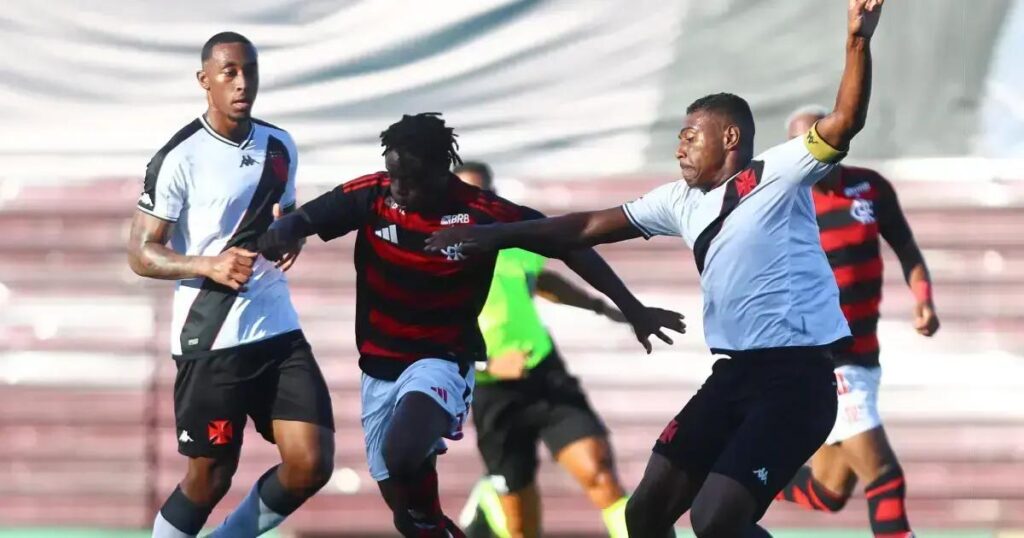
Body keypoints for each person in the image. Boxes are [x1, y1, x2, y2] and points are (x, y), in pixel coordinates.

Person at [426, 2, 886, 535]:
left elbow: (845, 120)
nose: (680, 147)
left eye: (691, 135)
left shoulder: (781, 173)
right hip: (732, 374)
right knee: (643, 516)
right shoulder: (678, 201)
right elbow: (578, 230)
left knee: (714, 520)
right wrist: (491, 235)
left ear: (730, 138)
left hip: (796, 380)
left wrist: (857, 40)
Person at [255, 113, 684, 537]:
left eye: (412, 177)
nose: (400, 187)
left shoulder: (483, 213)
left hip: (444, 359)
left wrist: (631, 307)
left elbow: (568, 244)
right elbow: (306, 218)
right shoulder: (374, 193)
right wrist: (284, 229)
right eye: (394, 173)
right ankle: (437, 520)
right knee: (408, 512)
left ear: (442, 171)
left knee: (405, 454)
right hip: (381, 370)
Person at [127, 32, 335, 538]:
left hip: (276, 328)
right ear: (205, 81)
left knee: (311, 462)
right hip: (210, 337)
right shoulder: (179, 157)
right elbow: (140, 253)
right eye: (229, 72)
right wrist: (207, 265)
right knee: (209, 478)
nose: (243, 83)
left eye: (250, 71)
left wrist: (293, 238)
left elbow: (278, 215)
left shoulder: (280, 145)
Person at [773, 106, 939, 538]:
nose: (811, 151)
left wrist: (923, 299)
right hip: (824, 360)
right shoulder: (785, 203)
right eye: (800, 144)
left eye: (820, 138)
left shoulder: (870, 188)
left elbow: (907, 249)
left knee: (830, 491)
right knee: (885, 476)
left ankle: (730, 473)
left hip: (866, 356)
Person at [452, 162, 633, 538]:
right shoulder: (434, 254)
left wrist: (598, 306)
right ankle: (490, 495)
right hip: (492, 391)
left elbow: (540, 279)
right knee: (521, 527)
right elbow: (417, 329)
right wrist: (486, 362)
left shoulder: (513, 240)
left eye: (483, 193)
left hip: (545, 374)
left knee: (600, 474)